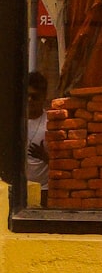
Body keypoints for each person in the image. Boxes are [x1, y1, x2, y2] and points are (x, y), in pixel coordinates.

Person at [26, 70, 50, 206]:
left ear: (43, 97)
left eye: (34, 97)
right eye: (27, 96)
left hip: (44, 190)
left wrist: (44, 157)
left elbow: (61, 165)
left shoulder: (51, 124)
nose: (30, 100)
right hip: (18, 191)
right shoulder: (13, 123)